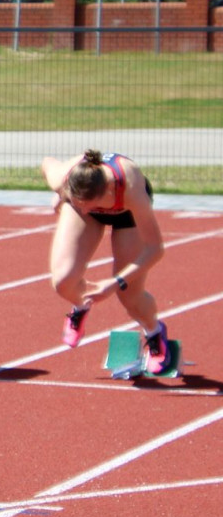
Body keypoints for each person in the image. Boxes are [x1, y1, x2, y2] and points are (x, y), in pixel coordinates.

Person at [41, 149, 171, 373]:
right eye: (79, 202)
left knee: (130, 295)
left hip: (127, 213)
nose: (84, 208)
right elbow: (47, 161)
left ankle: (155, 332)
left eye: (88, 204)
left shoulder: (130, 188)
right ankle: (81, 306)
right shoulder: (67, 179)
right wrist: (63, 194)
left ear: (109, 190)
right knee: (63, 281)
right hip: (82, 195)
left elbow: (155, 249)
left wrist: (116, 282)